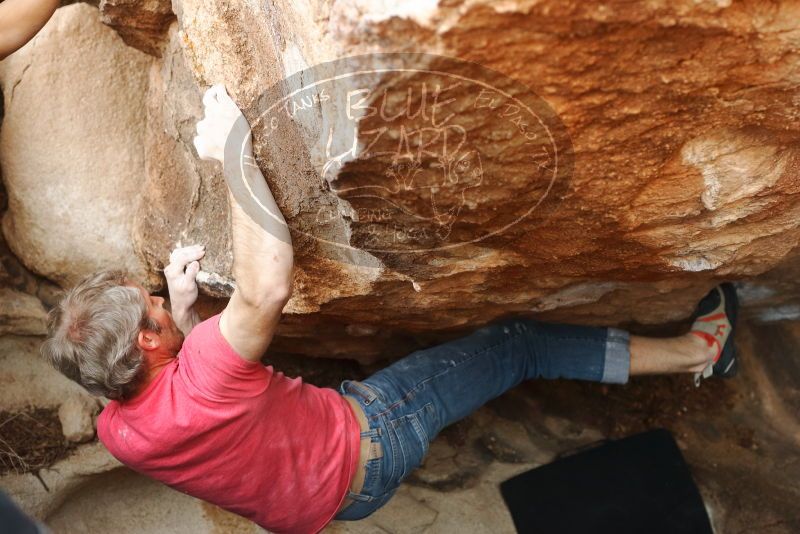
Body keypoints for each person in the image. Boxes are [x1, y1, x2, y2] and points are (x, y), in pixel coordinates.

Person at [40, 85, 738, 534]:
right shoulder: (207, 373)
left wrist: (185, 313)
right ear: (149, 345)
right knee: (518, 343)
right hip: (376, 434)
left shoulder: (118, 431)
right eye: (152, 307)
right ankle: (700, 352)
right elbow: (265, 289)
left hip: (332, 503)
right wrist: (234, 152)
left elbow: (194, 401)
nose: (158, 295)